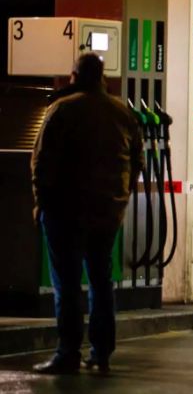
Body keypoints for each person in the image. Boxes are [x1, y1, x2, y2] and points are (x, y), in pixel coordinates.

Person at [31, 53, 144, 374]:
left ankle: (68, 352)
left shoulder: (63, 110)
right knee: (100, 279)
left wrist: (41, 202)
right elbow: (138, 160)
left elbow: (42, 163)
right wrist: (120, 198)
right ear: (102, 77)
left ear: (75, 76)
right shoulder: (123, 113)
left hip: (64, 212)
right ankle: (101, 352)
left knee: (66, 283)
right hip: (107, 213)